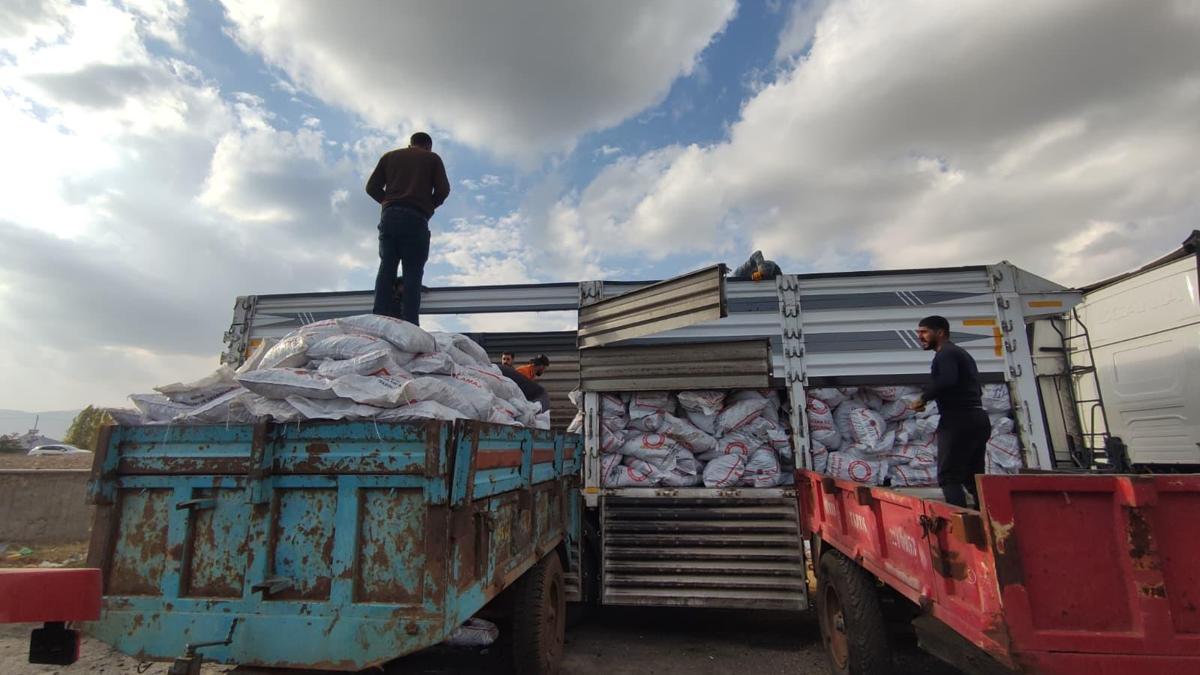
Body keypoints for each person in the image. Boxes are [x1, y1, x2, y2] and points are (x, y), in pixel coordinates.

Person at [366, 131, 451, 326]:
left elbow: (371, 187)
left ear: (410, 144)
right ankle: (410, 322)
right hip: (416, 217)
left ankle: (379, 317)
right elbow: (443, 190)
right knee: (413, 272)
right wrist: (429, 205)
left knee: (386, 267)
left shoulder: (390, 156)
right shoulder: (432, 158)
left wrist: (388, 201)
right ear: (428, 146)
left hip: (390, 216)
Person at [911, 315, 991, 508]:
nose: (920, 337)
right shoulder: (959, 353)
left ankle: (962, 522)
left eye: (924, 332)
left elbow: (946, 380)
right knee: (973, 476)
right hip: (977, 418)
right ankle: (987, 517)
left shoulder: (945, 353)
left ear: (940, 332)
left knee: (949, 476)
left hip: (958, 420)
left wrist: (924, 397)